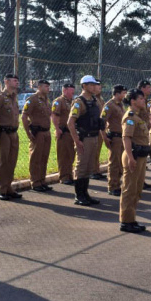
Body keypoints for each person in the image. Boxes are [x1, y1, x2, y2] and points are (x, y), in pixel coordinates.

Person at [67, 75, 105, 206]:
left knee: (89, 167)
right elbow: (70, 123)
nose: (94, 87)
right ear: (84, 86)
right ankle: (79, 196)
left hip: (94, 136)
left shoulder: (94, 100)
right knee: (82, 167)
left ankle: (85, 194)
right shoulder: (79, 102)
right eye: (91, 85)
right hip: (85, 138)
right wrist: (77, 141)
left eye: (95, 84)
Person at [118, 88, 151, 233]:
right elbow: (126, 138)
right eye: (141, 99)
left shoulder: (138, 116)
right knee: (129, 189)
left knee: (137, 189)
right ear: (133, 101)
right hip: (133, 156)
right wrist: (130, 158)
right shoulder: (130, 117)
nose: (144, 101)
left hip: (141, 156)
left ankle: (131, 219)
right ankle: (126, 221)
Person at [0, 74, 22, 200]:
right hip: (3, 134)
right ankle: (0, 190)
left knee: (12, 161)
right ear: (6, 82)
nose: (17, 82)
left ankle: (8, 187)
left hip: (13, 133)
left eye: (17, 80)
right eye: (14, 80)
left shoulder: (14, 98)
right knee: (3, 162)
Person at [22, 79, 52, 192]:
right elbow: (24, 116)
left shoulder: (46, 100)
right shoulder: (32, 100)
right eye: (46, 86)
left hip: (46, 132)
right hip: (38, 133)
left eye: (48, 87)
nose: (48, 88)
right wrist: (28, 132)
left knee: (44, 158)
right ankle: (35, 182)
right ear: (39, 87)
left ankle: (42, 180)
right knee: (36, 158)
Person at [101, 85, 127, 196]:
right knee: (114, 162)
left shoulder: (121, 105)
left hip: (121, 137)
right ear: (116, 94)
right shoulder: (109, 105)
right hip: (115, 138)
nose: (124, 95)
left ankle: (117, 184)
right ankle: (112, 186)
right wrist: (104, 137)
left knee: (121, 163)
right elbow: (102, 122)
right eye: (123, 93)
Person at [51, 83, 76, 185]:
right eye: (71, 91)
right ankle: (64, 176)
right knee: (63, 155)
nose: (73, 93)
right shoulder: (59, 101)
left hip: (71, 133)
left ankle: (69, 175)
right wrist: (57, 129)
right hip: (63, 132)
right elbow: (54, 116)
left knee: (71, 155)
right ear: (65, 90)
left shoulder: (72, 102)